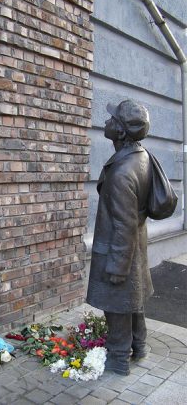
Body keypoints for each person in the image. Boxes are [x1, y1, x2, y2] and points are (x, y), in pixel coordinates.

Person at [85, 99, 153, 376]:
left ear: (122, 131)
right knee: (131, 300)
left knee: (117, 305)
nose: (106, 122)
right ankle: (140, 345)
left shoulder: (122, 173)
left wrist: (117, 267)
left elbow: (123, 225)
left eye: (112, 119)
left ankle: (118, 359)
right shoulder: (141, 156)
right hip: (134, 245)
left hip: (120, 248)